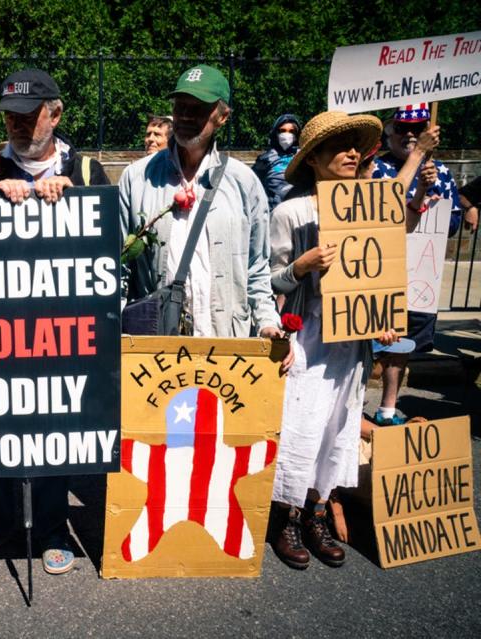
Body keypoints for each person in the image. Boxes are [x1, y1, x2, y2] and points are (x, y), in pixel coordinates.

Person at [0, 68, 110, 575]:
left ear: (56, 113)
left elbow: (109, 252)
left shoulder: (87, 171)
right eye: (11, 118)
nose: (19, 126)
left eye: (29, 116)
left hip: (61, 331)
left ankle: (50, 528)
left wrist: (77, 206)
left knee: (55, 428)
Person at [269, 111, 399, 570]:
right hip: (311, 339)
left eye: (354, 148)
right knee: (301, 428)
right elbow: (268, 284)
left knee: (337, 431)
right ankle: (287, 516)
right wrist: (300, 266)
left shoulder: (371, 208)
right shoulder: (291, 212)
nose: (350, 154)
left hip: (353, 344)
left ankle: (318, 513)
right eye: (338, 147)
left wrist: (383, 316)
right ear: (314, 159)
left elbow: (380, 278)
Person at [120, 64, 286, 342]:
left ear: (222, 117)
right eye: (180, 106)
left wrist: (268, 322)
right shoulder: (138, 178)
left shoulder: (244, 183)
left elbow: (257, 269)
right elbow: (119, 267)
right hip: (156, 344)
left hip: (224, 340)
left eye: (198, 108)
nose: (185, 115)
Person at [370, 104, 461, 425]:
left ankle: (387, 408)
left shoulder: (444, 174)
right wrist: (416, 187)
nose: (410, 134)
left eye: (419, 127)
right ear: (390, 132)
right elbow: (380, 211)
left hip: (418, 275)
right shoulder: (375, 169)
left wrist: (430, 193)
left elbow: (450, 226)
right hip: (376, 271)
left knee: (402, 342)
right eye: (402, 128)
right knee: (367, 341)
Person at [253, 114, 301, 210]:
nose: (287, 135)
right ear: (276, 133)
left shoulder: (302, 156)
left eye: (292, 131)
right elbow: (253, 186)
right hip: (275, 211)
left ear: (297, 136)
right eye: (282, 131)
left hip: (299, 210)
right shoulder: (265, 159)